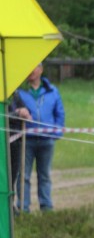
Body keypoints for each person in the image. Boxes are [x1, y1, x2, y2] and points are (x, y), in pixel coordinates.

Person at [16, 63, 65, 212]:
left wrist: (55, 133)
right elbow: (11, 110)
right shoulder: (19, 91)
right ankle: (23, 208)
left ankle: (46, 206)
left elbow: (60, 113)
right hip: (26, 140)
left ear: (41, 70)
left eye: (35, 66)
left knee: (44, 176)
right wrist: (18, 112)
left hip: (46, 140)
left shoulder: (52, 91)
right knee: (23, 175)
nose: (32, 70)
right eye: (29, 67)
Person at [7, 90, 32, 214]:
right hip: (4, 142)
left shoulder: (14, 93)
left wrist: (26, 114)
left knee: (12, 177)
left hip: (15, 142)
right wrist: (17, 114)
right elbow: (4, 116)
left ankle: (10, 207)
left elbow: (24, 109)